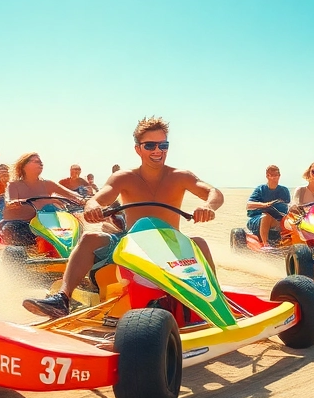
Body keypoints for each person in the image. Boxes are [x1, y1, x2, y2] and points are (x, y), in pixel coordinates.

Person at [25, 116, 224, 318]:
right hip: (131, 241)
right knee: (89, 238)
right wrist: (92, 207)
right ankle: (62, 299)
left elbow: (214, 192)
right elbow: (98, 198)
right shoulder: (124, 177)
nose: (157, 150)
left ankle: (217, 302)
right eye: (150, 145)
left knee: (199, 243)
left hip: (171, 242)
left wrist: (208, 207)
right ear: (137, 148)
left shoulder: (181, 175)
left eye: (163, 145)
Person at [0, 150, 83, 246]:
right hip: (25, 223)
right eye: (36, 161)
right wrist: (12, 203)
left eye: (41, 162)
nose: (41, 163)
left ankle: (71, 250)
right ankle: (22, 253)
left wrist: (85, 200)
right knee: (12, 228)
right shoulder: (13, 185)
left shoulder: (48, 184)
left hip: (48, 222)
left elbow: (74, 195)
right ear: (24, 166)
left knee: (75, 225)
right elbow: (9, 201)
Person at [246, 165, 290, 245]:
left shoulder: (284, 190)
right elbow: (249, 205)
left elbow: (288, 206)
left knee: (290, 219)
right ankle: (265, 243)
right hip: (258, 220)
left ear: (279, 176)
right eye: (271, 175)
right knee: (267, 215)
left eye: (276, 175)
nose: (274, 178)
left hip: (277, 219)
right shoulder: (260, 189)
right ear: (267, 176)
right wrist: (265, 205)